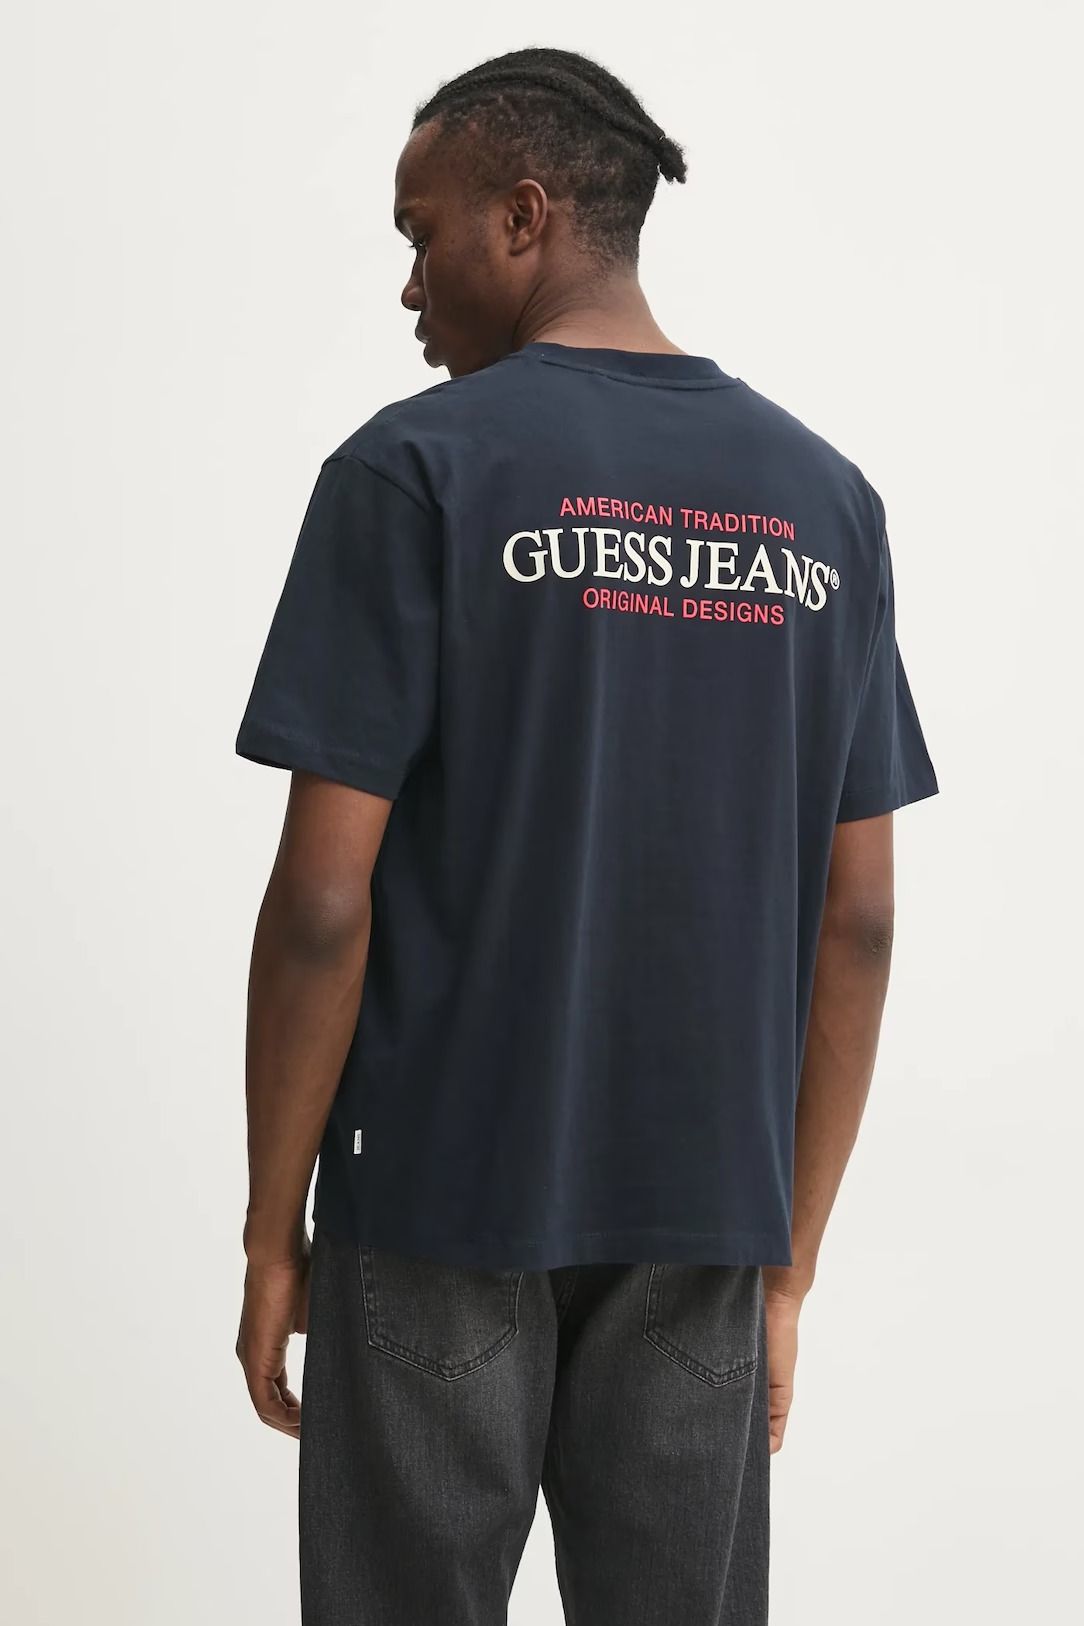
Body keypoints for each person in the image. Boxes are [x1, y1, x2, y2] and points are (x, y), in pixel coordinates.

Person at [233, 44, 939, 1626]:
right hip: (704, 1206)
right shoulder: (825, 504)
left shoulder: (413, 471)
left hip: (433, 1194)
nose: (408, 285)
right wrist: (788, 1264)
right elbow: (864, 917)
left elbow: (325, 902)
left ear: (524, 215)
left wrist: (274, 1231)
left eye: (421, 231)